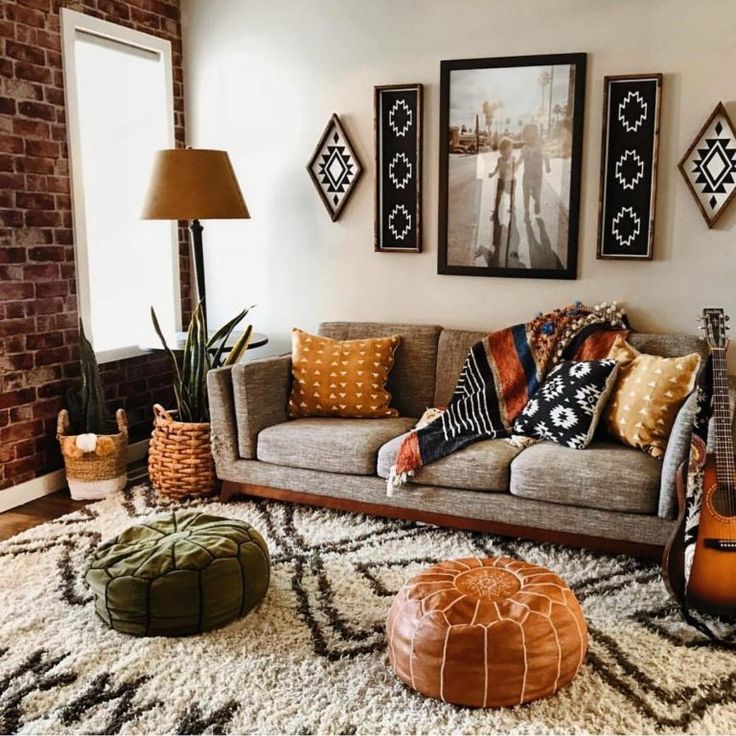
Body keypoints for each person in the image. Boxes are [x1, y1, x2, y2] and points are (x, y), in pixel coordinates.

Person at [518, 123, 551, 219]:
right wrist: (515, 166)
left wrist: (547, 166)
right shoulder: (524, 149)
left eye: (532, 137)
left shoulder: (540, 147)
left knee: (536, 191)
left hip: (537, 175)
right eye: (527, 137)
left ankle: (537, 201)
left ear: (536, 137)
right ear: (524, 137)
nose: (530, 140)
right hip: (527, 175)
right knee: (525, 193)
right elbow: (520, 159)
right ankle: (526, 211)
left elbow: (546, 157)